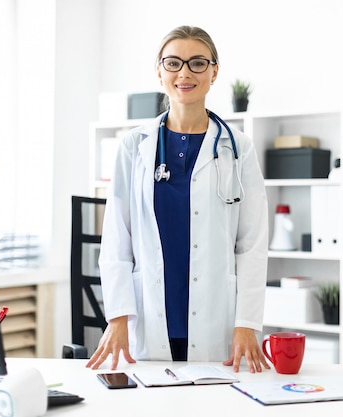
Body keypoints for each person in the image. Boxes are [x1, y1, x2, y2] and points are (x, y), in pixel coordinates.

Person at [86, 25, 270, 373]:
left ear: (214, 71)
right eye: (173, 63)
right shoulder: (133, 146)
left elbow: (252, 245)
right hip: (149, 316)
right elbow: (116, 240)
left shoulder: (239, 149)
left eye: (198, 63)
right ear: (159, 72)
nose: (185, 73)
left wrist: (247, 322)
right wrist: (119, 317)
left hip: (219, 321)